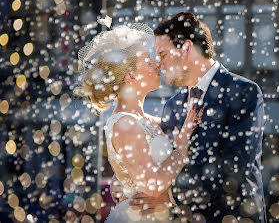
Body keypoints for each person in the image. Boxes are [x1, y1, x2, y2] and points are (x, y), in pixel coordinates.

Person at [122, 12, 268, 221]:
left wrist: (173, 197)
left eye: (163, 54)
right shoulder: (172, 107)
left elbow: (235, 168)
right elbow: (166, 165)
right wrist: (130, 185)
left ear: (187, 48)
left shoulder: (243, 92)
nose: (159, 64)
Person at [77, 23, 203, 222]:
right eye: (148, 61)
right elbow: (152, 185)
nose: (157, 64)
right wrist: (181, 150)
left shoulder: (149, 121)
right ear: (131, 76)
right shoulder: (124, 125)